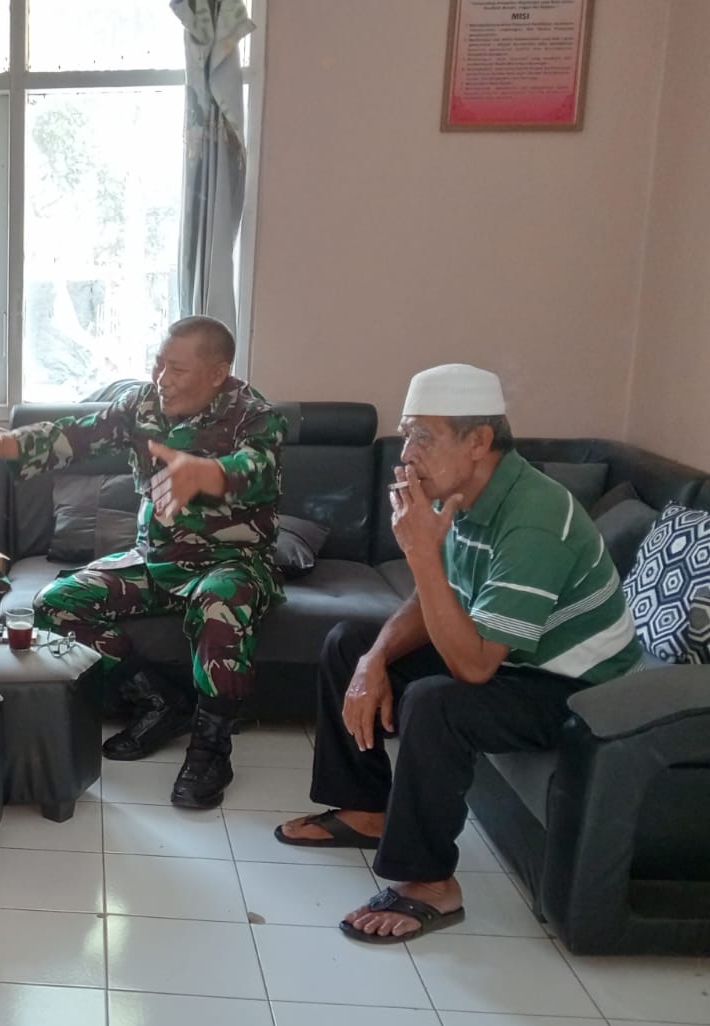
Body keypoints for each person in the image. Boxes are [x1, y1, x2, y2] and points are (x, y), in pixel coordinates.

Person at [274, 364, 642, 942]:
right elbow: (436, 599)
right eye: (407, 435)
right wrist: (373, 662)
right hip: (514, 657)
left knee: (436, 702)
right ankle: (366, 809)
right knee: (351, 644)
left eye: (424, 437)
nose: (406, 454)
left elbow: (474, 667)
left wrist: (420, 551)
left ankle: (431, 884)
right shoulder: (464, 496)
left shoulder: (535, 517)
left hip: (578, 689)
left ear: (478, 441)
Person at [0, 316, 284, 810]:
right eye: (158, 365)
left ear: (218, 373)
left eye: (177, 370)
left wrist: (206, 473)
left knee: (220, 605)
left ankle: (211, 750)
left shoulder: (255, 415)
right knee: (55, 604)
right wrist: (4, 443)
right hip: (154, 559)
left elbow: (258, 468)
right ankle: (159, 702)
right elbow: (73, 435)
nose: (162, 379)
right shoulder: (141, 404)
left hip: (229, 561)